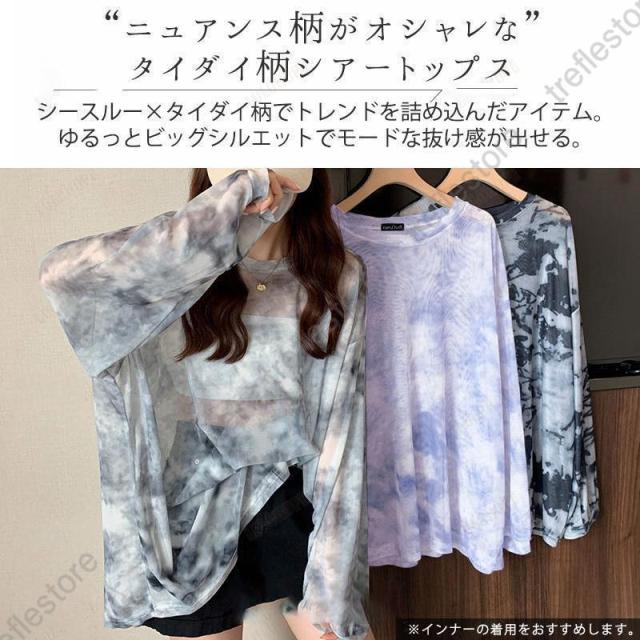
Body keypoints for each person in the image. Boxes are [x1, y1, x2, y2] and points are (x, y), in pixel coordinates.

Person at [38, 168, 373, 640]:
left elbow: (342, 425)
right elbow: (61, 275)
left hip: (295, 504)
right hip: (196, 516)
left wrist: (332, 577)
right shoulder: (175, 271)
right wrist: (230, 207)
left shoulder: (336, 274)